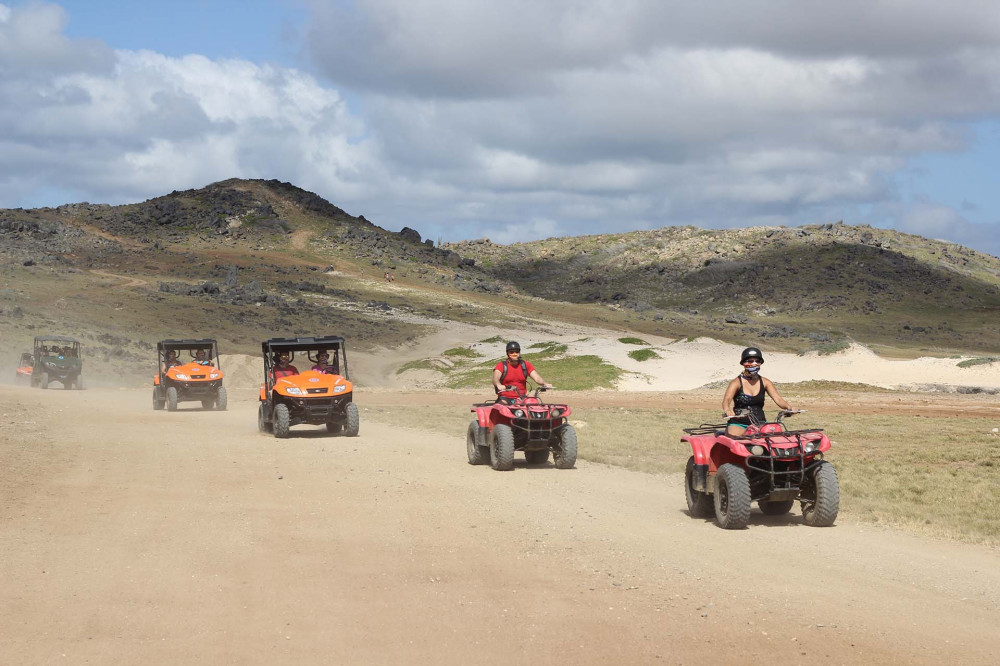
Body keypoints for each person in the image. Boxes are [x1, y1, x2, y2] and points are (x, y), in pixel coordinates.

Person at [722, 347, 793, 436]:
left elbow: (778, 398)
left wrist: (789, 408)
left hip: (761, 423)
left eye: (758, 361)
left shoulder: (765, 382)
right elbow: (727, 399)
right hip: (739, 424)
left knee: (776, 439)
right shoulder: (736, 383)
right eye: (751, 361)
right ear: (744, 363)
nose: (754, 363)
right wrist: (727, 410)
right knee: (737, 440)